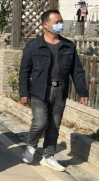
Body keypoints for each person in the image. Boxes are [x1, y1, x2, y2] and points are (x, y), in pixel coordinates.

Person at [19, 10, 88, 172]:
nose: (60, 24)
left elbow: (76, 71)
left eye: (61, 21)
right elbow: (24, 71)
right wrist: (24, 93)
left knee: (54, 125)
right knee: (40, 122)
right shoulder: (33, 46)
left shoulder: (68, 46)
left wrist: (82, 91)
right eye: (57, 22)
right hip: (39, 91)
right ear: (46, 25)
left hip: (60, 90)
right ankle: (31, 146)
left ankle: (48, 156)